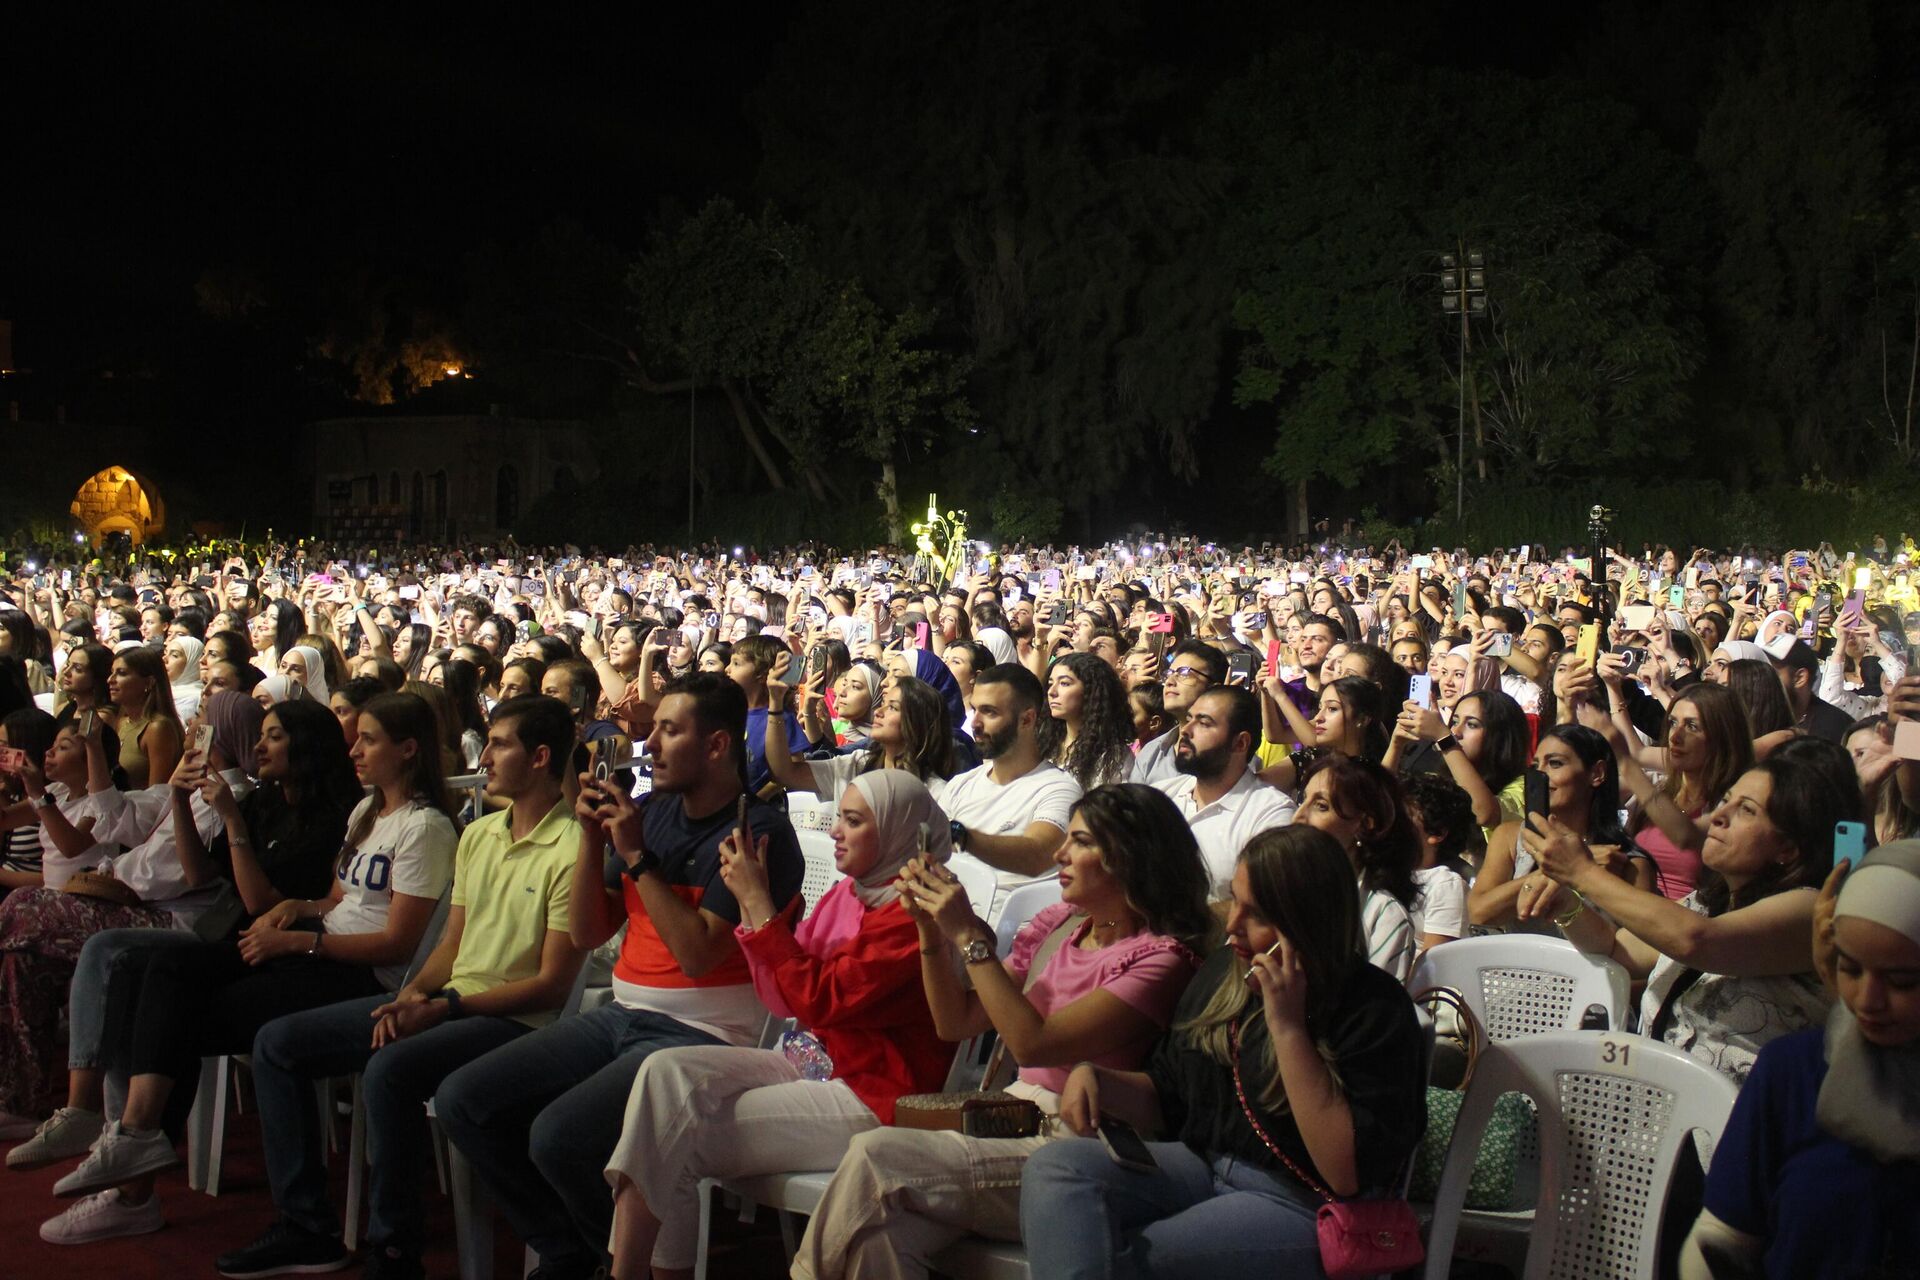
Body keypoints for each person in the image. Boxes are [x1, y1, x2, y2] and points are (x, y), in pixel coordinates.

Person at [434, 673, 803, 1280]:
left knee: (558, 1136)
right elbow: (586, 933)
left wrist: (635, 856)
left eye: (668, 730)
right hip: (622, 1015)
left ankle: (611, 1263)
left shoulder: (758, 833)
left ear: (714, 746)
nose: (649, 745)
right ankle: (572, 1251)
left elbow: (698, 956)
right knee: (464, 1100)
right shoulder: (654, 813)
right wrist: (588, 837)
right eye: (653, 729)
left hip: (703, 1036)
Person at [215, 695, 586, 1280]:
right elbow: (450, 946)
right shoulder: (480, 834)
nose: (483, 756)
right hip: (453, 1000)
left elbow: (549, 987)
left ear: (540, 758)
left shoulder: (574, 846)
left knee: (390, 1067)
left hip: (514, 1019)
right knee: (278, 1043)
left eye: (501, 744)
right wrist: (416, 995)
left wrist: (442, 1007)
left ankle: (394, 1250)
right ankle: (307, 1226)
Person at [32, 697, 419, 1243]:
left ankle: (132, 1165)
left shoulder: (351, 815)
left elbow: (286, 907)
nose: (260, 747)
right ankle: (121, 1140)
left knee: (168, 996)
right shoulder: (357, 815)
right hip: (271, 938)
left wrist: (296, 931)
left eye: (276, 737)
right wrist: (179, 799)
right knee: (150, 973)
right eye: (259, 735)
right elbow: (329, 897)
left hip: (318, 958)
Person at [794, 783, 1215, 1280]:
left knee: (876, 1154)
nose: (1059, 853)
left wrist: (968, 935)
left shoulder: (1160, 959)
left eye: (1080, 842)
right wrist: (931, 932)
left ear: (1127, 856)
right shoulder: (1062, 925)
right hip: (1012, 1115)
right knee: (879, 1237)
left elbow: (1033, 1042)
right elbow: (957, 1023)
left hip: (1080, 1144)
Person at [1016, 825, 1427, 1279]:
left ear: (1305, 921)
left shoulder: (1373, 1009)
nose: (1231, 924)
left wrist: (1287, 1027)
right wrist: (1098, 1079)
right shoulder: (1224, 974)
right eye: (1234, 900)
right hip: (1202, 1166)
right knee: (1057, 1172)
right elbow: (1170, 1095)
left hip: (1300, 1202)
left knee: (1137, 1261)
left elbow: (1343, 1173)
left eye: (1256, 913)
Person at [602, 771, 953, 1280]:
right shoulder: (851, 895)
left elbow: (819, 999)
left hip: (871, 1095)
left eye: (853, 821)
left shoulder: (914, 915)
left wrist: (762, 907)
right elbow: (780, 995)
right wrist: (751, 902)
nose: (835, 830)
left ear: (902, 831)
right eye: (839, 817)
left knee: (663, 1143)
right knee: (663, 1073)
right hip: (811, 1063)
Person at [1515, 748, 1858, 1083]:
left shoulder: (1809, 909)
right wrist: (1567, 902)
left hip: (1731, 1126)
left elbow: (1695, 941)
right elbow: (1617, 950)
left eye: (1747, 811)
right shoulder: (1708, 902)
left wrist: (1582, 873)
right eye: (1726, 800)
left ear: (1788, 848)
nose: (1720, 816)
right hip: (1655, 1109)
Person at [1680, 842, 1920, 1279]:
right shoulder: (1793, 1073)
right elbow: (1721, 1238)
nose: (1868, 1000)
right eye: (1850, 968)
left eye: (1902, 981)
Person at [1470, 722, 1649, 929]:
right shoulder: (1511, 837)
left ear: (1597, 773)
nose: (1541, 774)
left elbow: (1640, 945)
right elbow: (1479, 913)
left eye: (1555, 764)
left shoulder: (1627, 861)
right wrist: (1566, 868)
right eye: (1536, 766)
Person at [941, 664, 1083, 917]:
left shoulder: (1059, 788)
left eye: (990, 712)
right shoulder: (960, 785)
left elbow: (1037, 854)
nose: (975, 723)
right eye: (975, 710)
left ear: (1027, 719)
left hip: (1011, 934)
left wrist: (961, 835)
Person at [1154, 686, 1296, 897]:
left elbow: (1263, 907)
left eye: (1203, 723)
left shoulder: (1270, 815)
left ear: (1240, 743)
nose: (1186, 730)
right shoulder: (1161, 795)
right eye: (1189, 718)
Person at [1293, 754, 1421, 982]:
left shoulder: (1384, 914)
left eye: (1321, 806)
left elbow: (1378, 1012)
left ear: (1364, 824)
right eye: (1302, 800)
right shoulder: (1283, 884)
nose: (1298, 816)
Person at [766, 664, 955, 806]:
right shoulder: (856, 766)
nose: (879, 712)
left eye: (893, 707)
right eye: (883, 703)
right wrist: (776, 705)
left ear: (918, 722)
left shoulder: (936, 794)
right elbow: (785, 773)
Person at [1037, 652, 1134, 792]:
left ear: (1092, 691)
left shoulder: (1113, 758)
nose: (1052, 692)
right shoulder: (1042, 742)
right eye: (1050, 683)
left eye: (1064, 683)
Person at [1132, 640, 1224, 785]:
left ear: (1213, 688)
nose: (1170, 681)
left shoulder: (1229, 755)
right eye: (1169, 673)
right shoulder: (1152, 752)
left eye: (1184, 673)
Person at [1401, 772, 1475, 952]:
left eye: (1403, 817)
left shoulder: (1444, 885)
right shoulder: (1382, 871)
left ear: (1437, 833)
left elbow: (1433, 966)